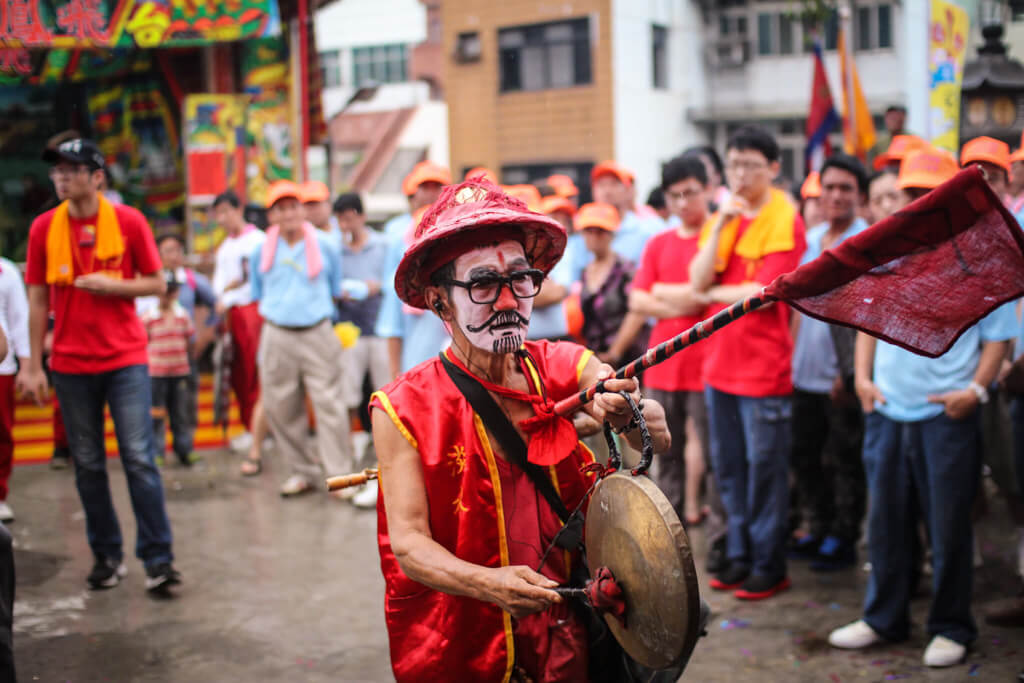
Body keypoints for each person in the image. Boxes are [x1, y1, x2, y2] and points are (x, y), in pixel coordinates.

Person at [369, 177, 671, 682]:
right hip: (464, 638)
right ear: (440, 301)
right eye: (483, 283)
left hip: (563, 635)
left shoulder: (562, 365)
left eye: (521, 278)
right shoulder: (401, 408)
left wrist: (635, 416)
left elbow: (624, 410)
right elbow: (408, 544)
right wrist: (487, 583)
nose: (510, 301)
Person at [828, 146, 1017, 668]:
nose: (917, 204)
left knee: (948, 523)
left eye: (926, 195)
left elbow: (999, 338)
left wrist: (975, 392)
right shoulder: (888, 255)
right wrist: (864, 380)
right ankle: (883, 617)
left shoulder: (979, 261)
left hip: (945, 413)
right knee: (885, 520)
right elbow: (871, 321)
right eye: (910, 195)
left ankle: (952, 625)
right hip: (888, 409)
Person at [19, 138, 181, 593]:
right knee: (87, 464)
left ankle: (158, 560)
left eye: (71, 169)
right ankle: (107, 557)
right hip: (69, 363)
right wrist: (33, 365)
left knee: (138, 459)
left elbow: (156, 283)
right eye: (56, 170)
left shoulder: (128, 221)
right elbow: (36, 299)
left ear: (97, 177)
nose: (61, 177)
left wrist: (113, 286)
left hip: (126, 359)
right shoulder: (42, 229)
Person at [689, 125, 807, 600]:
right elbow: (698, 281)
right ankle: (738, 554)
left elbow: (765, 293)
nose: (740, 175)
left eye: (751, 166)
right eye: (734, 164)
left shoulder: (785, 216)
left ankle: (768, 562)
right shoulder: (729, 215)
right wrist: (719, 222)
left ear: (774, 169)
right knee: (730, 468)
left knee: (766, 471)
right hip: (719, 366)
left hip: (764, 369)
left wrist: (717, 293)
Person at [630, 155, 730, 570]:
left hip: (711, 366)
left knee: (715, 458)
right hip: (663, 365)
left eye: (692, 191)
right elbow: (638, 299)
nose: (685, 201)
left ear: (708, 189)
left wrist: (668, 296)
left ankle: (722, 543)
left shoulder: (720, 237)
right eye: (676, 195)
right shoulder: (659, 243)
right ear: (667, 199)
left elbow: (697, 293)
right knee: (663, 456)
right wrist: (685, 296)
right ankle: (673, 547)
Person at [788, 154, 869, 571]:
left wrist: (850, 371)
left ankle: (844, 536)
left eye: (845, 188)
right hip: (804, 369)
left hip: (842, 373)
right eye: (830, 188)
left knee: (844, 458)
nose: (836, 196)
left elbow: (865, 314)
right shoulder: (812, 237)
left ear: (859, 196)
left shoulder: (866, 241)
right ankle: (818, 527)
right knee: (805, 454)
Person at [249, 181, 354, 497]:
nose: (289, 213)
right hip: (277, 333)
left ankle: (339, 476)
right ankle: (302, 472)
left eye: (293, 206)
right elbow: (257, 291)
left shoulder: (326, 244)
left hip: (317, 331)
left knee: (330, 405)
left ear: (302, 209)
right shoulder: (261, 249)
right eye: (281, 208)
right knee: (281, 407)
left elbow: (336, 287)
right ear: (272, 215)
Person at [333, 192, 391, 508]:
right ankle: (351, 450)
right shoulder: (335, 249)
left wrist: (373, 286)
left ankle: (386, 453)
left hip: (379, 327)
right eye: (341, 217)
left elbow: (389, 281)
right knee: (348, 394)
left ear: (360, 215)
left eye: (350, 215)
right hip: (349, 331)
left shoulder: (381, 245)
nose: (346, 222)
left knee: (385, 395)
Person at [377, 162, 453, 377]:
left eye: (436, 187)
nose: (431, 193)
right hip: (417, 371)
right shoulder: (402, 271)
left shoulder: (460, 265)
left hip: (459, 372)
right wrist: (395, 376)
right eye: (425, 187)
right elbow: (392, 328)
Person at [210, 191, 268, 475]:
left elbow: (251, 282)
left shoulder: (257, 241)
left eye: (225, 211)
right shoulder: (224, 248)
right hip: (231, 314)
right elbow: (220, 285)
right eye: (217, 213)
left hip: (251, 312)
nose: (222, 218)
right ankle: (248, 426)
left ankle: (258, 430)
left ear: (237, 209)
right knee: (237, 371)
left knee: (256, 370)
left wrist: (230, 292)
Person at [576, 203, 649, 367]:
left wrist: (615, 352)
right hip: (595, 359)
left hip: (628, 358)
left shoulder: (625, 269)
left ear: (612, 235)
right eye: (589, 231)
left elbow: (637, 312)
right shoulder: (585, 271)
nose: (594, 237)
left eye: (600, 231)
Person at [143, 271, 196, 467]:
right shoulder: (149, 317)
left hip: (179, 371)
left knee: (180, 412)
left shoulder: (183, 315)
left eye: (172, 290)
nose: (169, 294)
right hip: (156, 373)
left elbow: (189, 340)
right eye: (165, 290)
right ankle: (157, 451)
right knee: (156, 413)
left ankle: (185, 450)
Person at [0, 253, 29, 522]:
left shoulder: (6, 271)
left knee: (2, 431)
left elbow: (20, 319)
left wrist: (27, 365)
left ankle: (0, 495)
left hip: (3, 368)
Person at [301, 180, 343, 254]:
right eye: (308, 205)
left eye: (316, 204)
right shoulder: (298, 237)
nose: (313, 210)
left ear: (328, 203)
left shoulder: (344, 229)